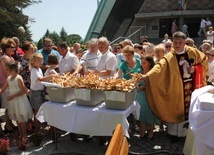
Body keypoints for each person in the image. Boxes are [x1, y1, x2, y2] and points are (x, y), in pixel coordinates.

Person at [138, 31, 208, 142]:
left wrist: (195, 69)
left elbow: (204, 61)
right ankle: (173, 134)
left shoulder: (194, 52)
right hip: (176, 90)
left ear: (185, 42)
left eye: (180, 42)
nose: (177, 45)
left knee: (189, 110)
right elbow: (159, 67)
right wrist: (147, 76)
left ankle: (186, 134)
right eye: (175, 42)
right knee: (175, 109)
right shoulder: (170, 56)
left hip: (191, 87)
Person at [0, 62, 33, 150]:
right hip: (13, 102)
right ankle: (21, 136)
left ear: (13, 69)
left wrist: (12, 96)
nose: (6, 71)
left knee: (22, 119)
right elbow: (2, 89)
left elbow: (23, 90)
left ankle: (24, 137)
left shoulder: (19, 78)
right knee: (17, 119)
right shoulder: (8, 79)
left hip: (19, 100)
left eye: (8, 70)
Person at [29, 53, 57, 146]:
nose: (41, 62)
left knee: (39, 111)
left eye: (41, 61)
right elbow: (40, 79)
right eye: (39, 61)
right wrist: (50, 76)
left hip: (39, 92)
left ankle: (38, 130)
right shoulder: (34, 70)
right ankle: (37, 132)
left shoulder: (38, 69)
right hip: (36, 93)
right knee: (37, 113)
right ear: (33, 61)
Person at [136, 56, 158, 141]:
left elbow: (155, 85)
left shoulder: (153, 72)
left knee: (150, 113)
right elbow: (135, 81)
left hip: (150, 95)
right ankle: (143, 131)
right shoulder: (139, 71)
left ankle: (151, 132)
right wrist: (137, 87)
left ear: (149, 63)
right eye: (142, 63)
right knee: (142, 113)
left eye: (144, 63)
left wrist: (145, 88)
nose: (142, 64)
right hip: (140, 95)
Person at [0, 38, 17, 133]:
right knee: (8, 107)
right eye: (12, 47)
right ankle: (8, 125)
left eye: (14, 47)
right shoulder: (5, 58)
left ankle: (10, 123)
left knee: (11, 107)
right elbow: (8, 73)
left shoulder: (11, 58)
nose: (14, 49)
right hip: (6, 86)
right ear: (6, 48)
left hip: (11, 85)